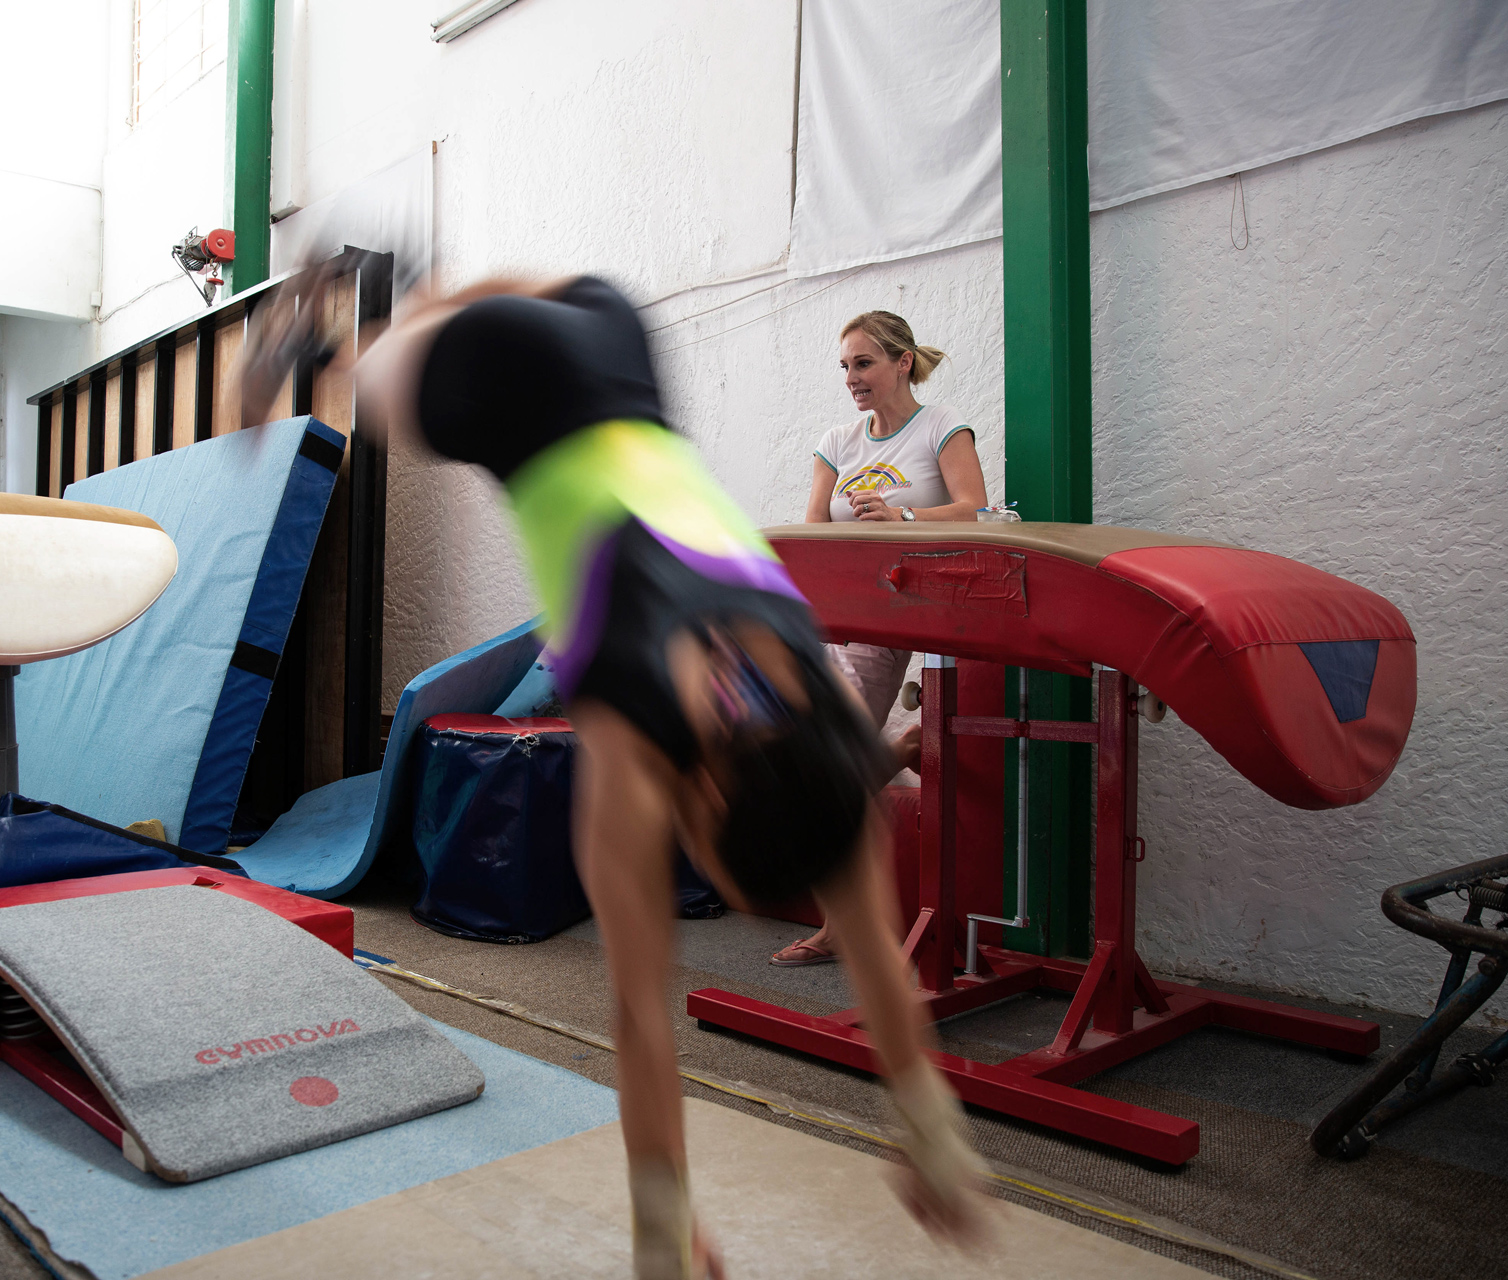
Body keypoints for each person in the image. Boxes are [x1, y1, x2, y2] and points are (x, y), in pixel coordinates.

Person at [246, 274, 988, 1278]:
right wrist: (661, 1234)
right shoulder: (639, 757)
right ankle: (325, 329)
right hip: (510, 394)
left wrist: (934, 1133)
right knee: (376, 379)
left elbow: (854, 966)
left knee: (481, 305)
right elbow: (642, 1013)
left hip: (617, 346)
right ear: (706, 801)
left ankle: (424, 291)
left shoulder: (822, 736)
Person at [770, 311, 990, 968]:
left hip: (889, 618)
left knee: (825, 773)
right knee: (815, 774)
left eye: (862, 364)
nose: (851, 379)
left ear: (901, 362)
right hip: (830, 617)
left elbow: (976, 507)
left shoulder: (940, 426)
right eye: (844, 367)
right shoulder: (838, 441)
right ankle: (895, 751)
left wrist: (903, 516)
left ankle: (842, 929)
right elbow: (811, 531)